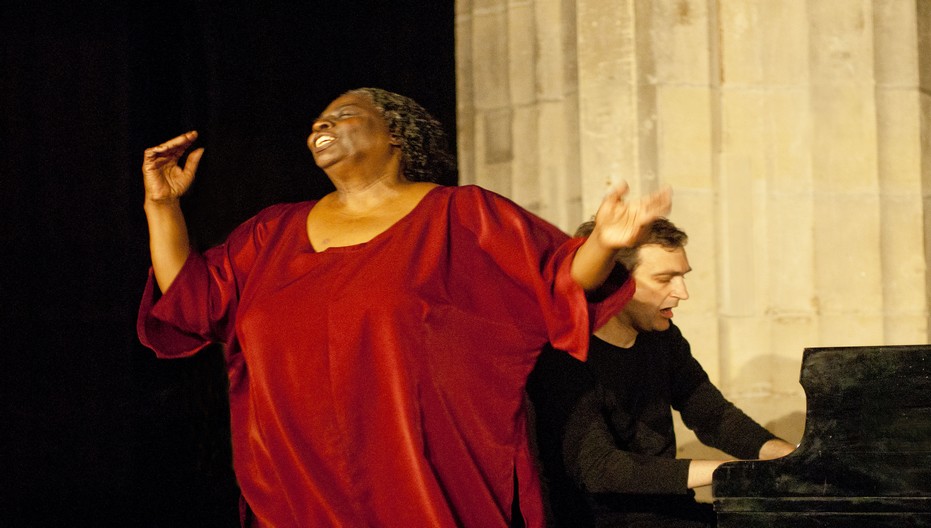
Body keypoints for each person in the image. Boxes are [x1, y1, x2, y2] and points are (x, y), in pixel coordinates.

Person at [137, 87, 673, 527]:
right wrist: (162, 206)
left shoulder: (461, 215)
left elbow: (557, 280)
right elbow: (191, 300)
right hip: (294, 490)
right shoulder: (271, 232)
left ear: (395, 133)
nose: (320, 126)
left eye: (343, 115)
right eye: (316, 121)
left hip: (418, 484)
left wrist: (603, 242)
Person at [527, 218, 795, 528]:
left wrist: (785, 455)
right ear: (614, 282)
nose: (682, 292)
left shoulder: (662, 337)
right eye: (665, 278)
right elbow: (600, 468)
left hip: (673, 514)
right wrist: (733, 472)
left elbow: (713, 415)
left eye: (682, 276)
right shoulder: (562, 354)